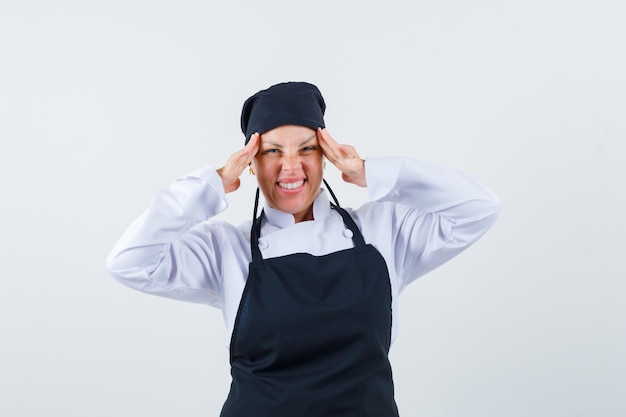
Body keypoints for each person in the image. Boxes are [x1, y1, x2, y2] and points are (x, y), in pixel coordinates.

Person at [106, 81, 501, 416]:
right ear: (250, 163)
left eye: (307, 149)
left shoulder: (385, 230)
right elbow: (128, 263)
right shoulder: (225, 250)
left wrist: (373, 172)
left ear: (326, 155)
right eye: (272, 151)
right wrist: (208, 186)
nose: (291, 167)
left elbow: (479, 208)